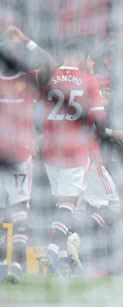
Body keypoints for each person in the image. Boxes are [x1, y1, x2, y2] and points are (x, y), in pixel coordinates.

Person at [39, 40, 109, 276]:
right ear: (81, 56)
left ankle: (59, 261)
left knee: (61, 204)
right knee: (67, 205)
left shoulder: (49, 76)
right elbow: (99, 121)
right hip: (76, 150)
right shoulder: (89, 81)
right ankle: (50, 251)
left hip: (49, 149)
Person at [0, 26, 56, 284]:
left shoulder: (29, 79)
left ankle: (16, 266)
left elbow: (51, 65)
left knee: (20, 212)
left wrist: (26, 40)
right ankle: (3, 265)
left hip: (21, 155)